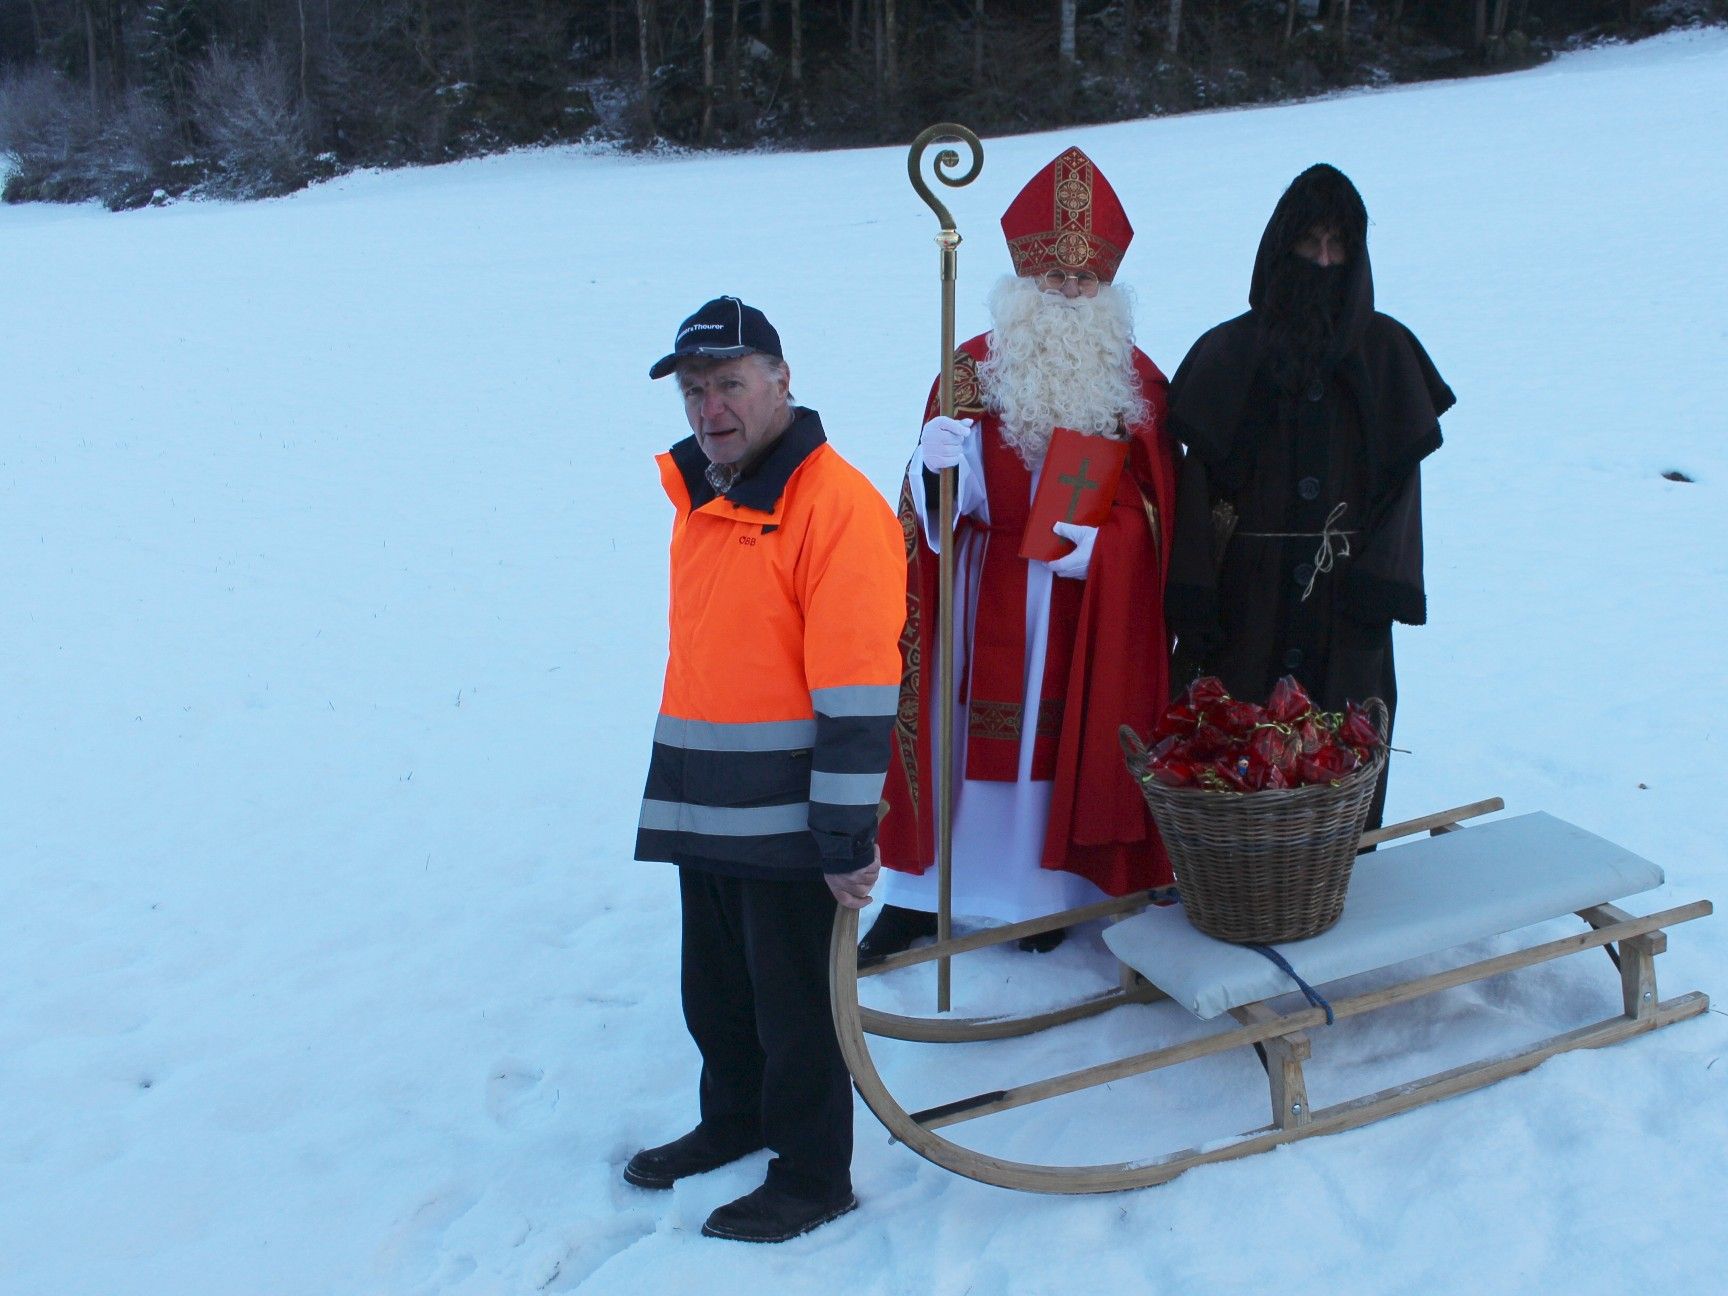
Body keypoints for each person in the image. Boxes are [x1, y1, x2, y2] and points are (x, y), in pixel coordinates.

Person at [625, 296, 905, 1242]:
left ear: (782, 381)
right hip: (705, 804)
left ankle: (814, 1173)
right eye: (696, 390)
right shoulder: (708, 493)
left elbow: (860, 687)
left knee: (797, 1010)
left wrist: (843, 834)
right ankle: (734, 1118)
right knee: (717, 991)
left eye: (730, 384)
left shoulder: (836, 508)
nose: (710, 408)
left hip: (790, 819)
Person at [869, 147, 1178, 961]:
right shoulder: (968, 368)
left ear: (1108, 288)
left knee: (1052, 742)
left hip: (1077, 602)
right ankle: (926, 889)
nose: (1070, 297)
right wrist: (934, 468)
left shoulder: (1136, 381)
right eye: (1054, 282)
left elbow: (1159, 512)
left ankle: (1042, 897)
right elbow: (930, 512)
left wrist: (1107, 551)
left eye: (1085, 283)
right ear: (1022, 284)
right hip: (978, 590)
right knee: (956, 731)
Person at [1163, 164, 1455, 828]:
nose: (1323, 261)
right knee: (1235, 746)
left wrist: (1378, 587)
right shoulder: (1228, 353)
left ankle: (1332, 877)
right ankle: (1230, 881)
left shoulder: (1386, 353)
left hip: (1342, 604)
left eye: (1338, 246)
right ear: (1280, 248)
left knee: (1340, 750)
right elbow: (1196, 489)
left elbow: (1401, 492)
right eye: (1309, 244)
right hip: (1248, 600)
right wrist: (1197, 594)